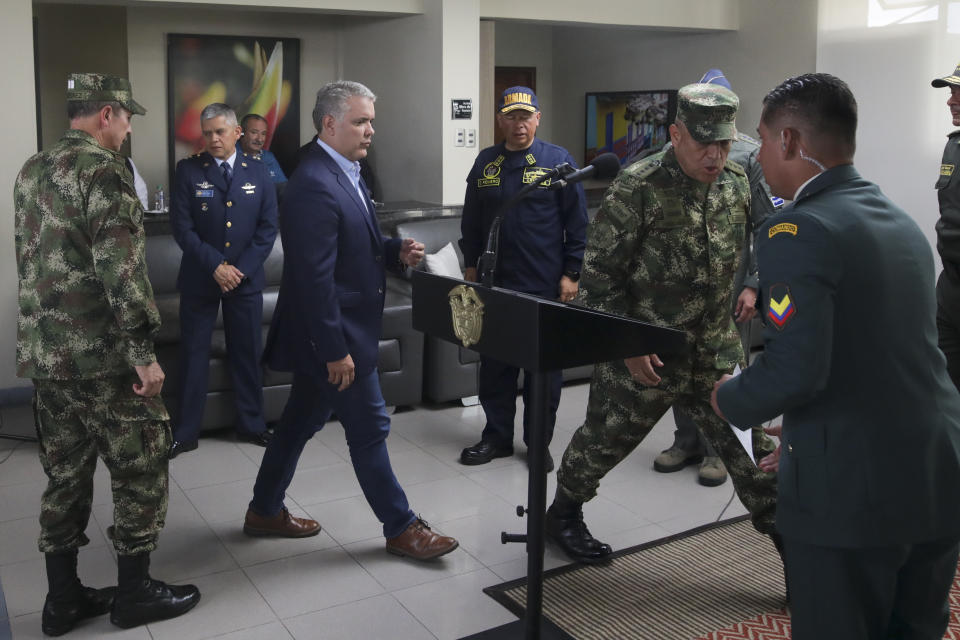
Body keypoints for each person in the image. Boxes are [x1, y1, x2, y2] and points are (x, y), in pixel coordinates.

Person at [712, 73, 960, 640]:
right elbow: (874, 355)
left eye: (762, 139)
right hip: (935, 471)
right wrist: (802, 440)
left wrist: (729, 398)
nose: (758, 157)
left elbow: (795, 370)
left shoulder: (796, 230)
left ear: (791, 143)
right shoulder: (898, 220)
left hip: (853, 492)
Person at [545, 84, 780, 566]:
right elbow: (598, 282)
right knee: (601, 442)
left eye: (723, 143)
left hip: (716, 350)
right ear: (675, 133)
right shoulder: (639, 185)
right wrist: (628, 344)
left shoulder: (737, 182)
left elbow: (768, 238)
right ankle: (563, 516)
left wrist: (757, 285)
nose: (715, 156)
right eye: (703, 143)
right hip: (644, 350)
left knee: (758, 462)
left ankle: (796, 554)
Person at [14, 72, 200, 635]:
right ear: (105, 116)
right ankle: (135, 592)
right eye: (125, 119)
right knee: (140, 466)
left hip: (48, 358)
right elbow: (121, 271)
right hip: (104, 358)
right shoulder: (105, 172)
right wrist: (143, 352)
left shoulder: (31, 170)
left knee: (64, 474)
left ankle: (63, 599)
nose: (126, 130)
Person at [243, 81, 458, 561]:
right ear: (329, 124)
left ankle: (263, 509)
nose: (370, 131)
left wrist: (393, 251)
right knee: (370, 426)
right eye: (360, 121)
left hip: (336, 332)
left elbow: (351, 245)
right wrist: (335, 349)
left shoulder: (347, 172)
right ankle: (402, 527)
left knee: (299, 421)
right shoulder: (312, 184)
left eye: (371, 121)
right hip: (334, 337)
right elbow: (313, 280)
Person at [655, 68, 781, 487]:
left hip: (731, 285)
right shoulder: (675, 152)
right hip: (682, 286)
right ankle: (686, 440)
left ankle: (718, 450)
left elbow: (767, 225)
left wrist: (754, 284)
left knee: (724, 371)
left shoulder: (747, 154)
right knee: (679, 364)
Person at [458, 86, 588, 471]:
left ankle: (537, 444)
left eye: (525, 116)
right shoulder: (485, 162)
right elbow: (471, 220)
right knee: (495, 367)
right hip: (495, 283)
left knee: (542, 372)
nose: (519, 124)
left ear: (538, 118)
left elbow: (577, 223)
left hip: (544, 283)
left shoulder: (557, 161)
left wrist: (571, 272)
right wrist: (470, 265)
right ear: (500, 119)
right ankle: (496, 437)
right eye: (511, 117)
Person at [168, 103, 279, 458]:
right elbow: (182, 229)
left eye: (220, 132)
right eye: (208, 133)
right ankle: (185, 432)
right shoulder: (188, 171)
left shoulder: (259, 171)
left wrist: (239, 270)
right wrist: (216, 265)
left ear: (237, 133)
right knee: (194, 354)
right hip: (202, 277)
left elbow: (267, 229)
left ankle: (252, 424)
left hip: (244, 280)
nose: (213, 139)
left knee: (247, 352)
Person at [932, 63, 960, 392]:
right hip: (951, 289)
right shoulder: (953, 145)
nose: (951, 100)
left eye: (958, 92)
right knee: (946, 392)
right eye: (951, 92)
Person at [239, 112, 288, 185]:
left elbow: (282, 188)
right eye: (254, 132)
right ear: (241, 132)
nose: (259, 139)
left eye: (263, 134)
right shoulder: (229, 155)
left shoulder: (268, 157)